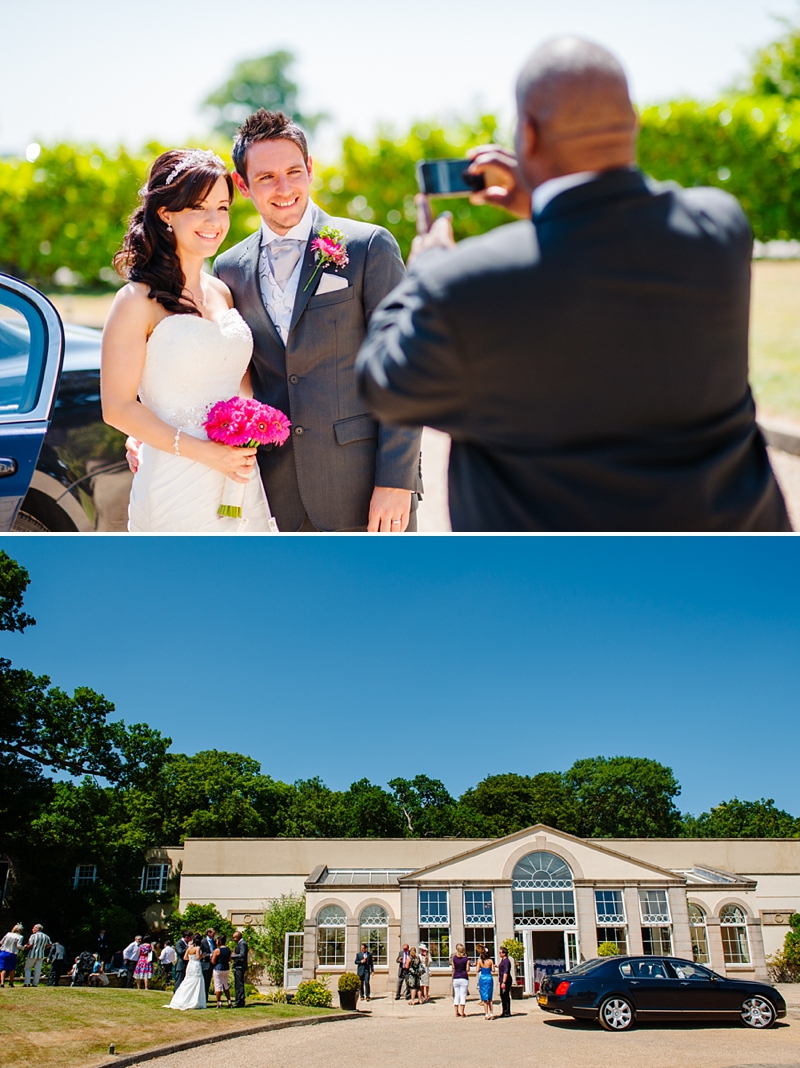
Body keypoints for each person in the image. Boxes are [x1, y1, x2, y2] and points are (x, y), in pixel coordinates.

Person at [356, 37, 790, 534]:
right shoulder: (720, 228)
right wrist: (550, 200)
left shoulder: (466, 287)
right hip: (731, 579)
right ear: (634, 121)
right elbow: (602, 251)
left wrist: (427, 268)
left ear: (528, 135)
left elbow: (383, 384)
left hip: (554, 596)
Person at [210, 109, 424, 532]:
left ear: (310, 169)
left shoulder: (368, 247)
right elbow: (232, 373)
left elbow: (405, 370)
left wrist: (396, 481)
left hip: (363, 483)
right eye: (267, 177)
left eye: (293, 171)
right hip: (275, 489)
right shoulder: (228, 268)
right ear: (242, 185)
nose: (284, 188)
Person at [102, 149, 276, 532]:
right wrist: (205, 453)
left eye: (223, 207)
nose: (214, 221)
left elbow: (239, 384)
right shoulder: (136, 301)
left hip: (237, 475)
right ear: (166, 213)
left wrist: (245, 438)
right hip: (175, 477)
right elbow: (116, 407)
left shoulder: (223, 293)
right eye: (199, 207)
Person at [166, 934, 207, 1010]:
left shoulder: (189, 948)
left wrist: (191, 959)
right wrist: (203, 955)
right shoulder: (197, 948)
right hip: (196, 965)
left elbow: (185, 957)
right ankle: (195, 1000)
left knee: (188, 980)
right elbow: (198, 957)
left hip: (190, 965)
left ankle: (183, 998)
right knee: (197, 981)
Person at [211, 934, 232, 1008]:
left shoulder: (217, 950)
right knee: (225, 985)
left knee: (218, 986)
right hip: (226, 968)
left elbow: (213, 961)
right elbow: (229, 959)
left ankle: (218, 1002)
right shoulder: (228, 949)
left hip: (218, 968)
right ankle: (229, 1001)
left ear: (219, 942)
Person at [451, 943, 470, 1018]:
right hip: (464, 977)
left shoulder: (454, 958)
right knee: (463, 995)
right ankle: (462, 1012)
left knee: (456, 995)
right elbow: (467, 969)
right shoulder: (466, 959)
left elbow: (453, 967)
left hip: (456, 977)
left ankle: (456, 1012)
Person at [476, 948, 495, 1020]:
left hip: (483, 978)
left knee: (484, 998)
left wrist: (481, 968)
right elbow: (493, 970)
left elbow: (477, 970)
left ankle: (486, 1014)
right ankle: (492, 1013)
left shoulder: (480, 961)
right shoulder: (490, 961)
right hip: (489, 978)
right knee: (490, 997)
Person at [231, 930, 248, 1008]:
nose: (233, 939)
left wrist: (232, 956)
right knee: (237, 984)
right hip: (238, 966)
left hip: (240, 966)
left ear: (238, 937)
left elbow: (242, 954)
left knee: (239, 984)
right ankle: (238, 999)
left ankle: (240, 1000)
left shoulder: (242, 944)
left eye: (234, 937)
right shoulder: (239, 944)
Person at [200, 928, 216, 997]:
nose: (214, 935)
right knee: (204, 981)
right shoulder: (203, 942)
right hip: (205, 963)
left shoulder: (214, 942)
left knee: (208, 981)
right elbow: (200, 953)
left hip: (211, 964)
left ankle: (206, 996)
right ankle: (203, 996)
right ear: (209, 933)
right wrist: (209, 955)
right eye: (213, 933)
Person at [497, 946, 512, 1017]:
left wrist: (504, 982)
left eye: (500, 952)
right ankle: (504, 1011)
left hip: (506, 980)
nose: (499, 954)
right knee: (502, 996)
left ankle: (507, 1012)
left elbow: (506, 972)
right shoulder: (503, 960)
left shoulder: (506, 961)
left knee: (505, 996)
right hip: (502, 980)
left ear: (504, 953)